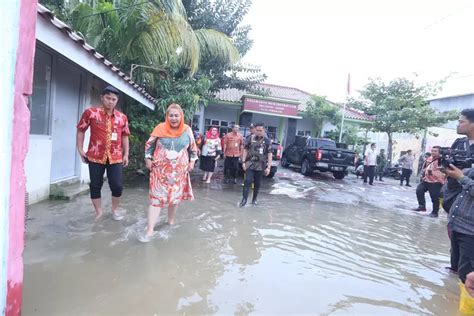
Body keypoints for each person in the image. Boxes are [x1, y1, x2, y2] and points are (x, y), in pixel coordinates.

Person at [140, 103, 198, 242]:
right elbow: (149, 146)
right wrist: (148, 159)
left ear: (181, 116)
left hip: (179, 172)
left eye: (176, 115)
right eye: (171, 115)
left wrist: (192, 162)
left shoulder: (187, 130)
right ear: (167, 116)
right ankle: (150, 229)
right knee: (156, 199)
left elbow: (193, 149)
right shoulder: (159, 128)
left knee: (174, 198)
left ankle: (170, 221)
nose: (173, 118)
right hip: (160, 172)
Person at [76, 86, 130, 221]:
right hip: (95, 155)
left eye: (114, 99)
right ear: (102, 97)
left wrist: (126, 154)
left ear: (117, 100)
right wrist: (80, 149)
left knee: (117, 186)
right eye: (108, 98)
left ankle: (114, 209)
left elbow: (125, 136)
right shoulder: (91, 113)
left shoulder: (122, 117)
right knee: (95, 185)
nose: (111, 102)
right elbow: (81, 130)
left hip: (116, 156)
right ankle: (99, 212)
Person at [443, 163, 474, 292]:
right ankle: (452, 297)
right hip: (456, 225)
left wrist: (461, 177)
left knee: (467, 272)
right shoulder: (470, 170)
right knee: (455, 266)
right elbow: (453, 187)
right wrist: (450, 173)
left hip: (470, 230)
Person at [239, 123, 272, 207]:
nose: (259, 132)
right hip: (250, 164)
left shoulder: (267, 141)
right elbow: (245, 150)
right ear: (255, 130)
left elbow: (269, 154)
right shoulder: (250, 138)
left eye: (260, 130)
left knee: (257, 183)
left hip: (261, 166)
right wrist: (243, 162)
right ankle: (244, 200)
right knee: (247, 181)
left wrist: (268, 167)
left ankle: (254, 200)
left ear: (264, 131)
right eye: (257, 130)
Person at [412, 146, 446, 217]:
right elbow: (425, 167)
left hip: (436, 181)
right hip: (426, 179)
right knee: (419, 190)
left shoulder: (442, 160)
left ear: (439, 152)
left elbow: (445, 170)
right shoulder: (429, 158)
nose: (433, 152)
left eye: (435, 151)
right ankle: (422, 206)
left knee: (434, 197)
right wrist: (423, 174)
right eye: (432, 151)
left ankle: (434, 213)